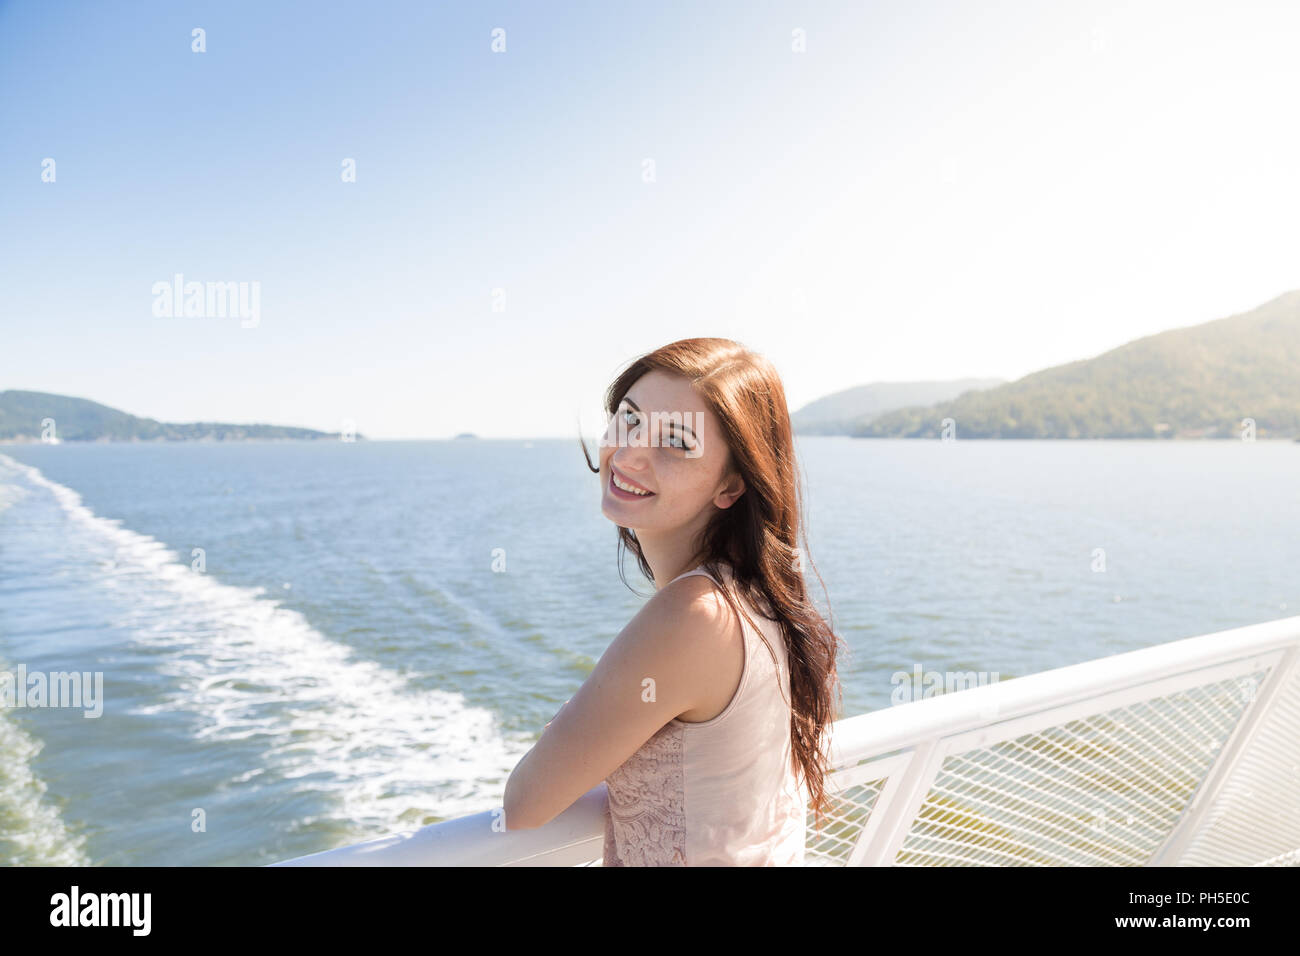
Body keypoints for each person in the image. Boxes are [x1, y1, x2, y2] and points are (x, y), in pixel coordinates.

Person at [503, 337, 845, 865]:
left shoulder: (695, 617)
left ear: (730, 486)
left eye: (677, 443)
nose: (632, 451)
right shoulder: (757, 599)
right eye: (630, 418)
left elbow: (525, 803)